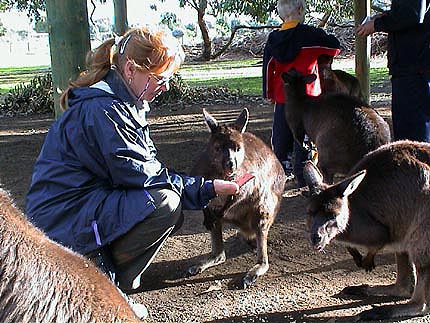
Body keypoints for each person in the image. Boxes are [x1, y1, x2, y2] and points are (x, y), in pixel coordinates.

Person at [25, 27, 239, 317]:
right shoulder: (105, 110)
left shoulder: (123, 103)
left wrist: (201, 188)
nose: (164, 88)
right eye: (160, 80)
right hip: (61, 219)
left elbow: (144, 167)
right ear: (130, 69)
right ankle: (99, 289)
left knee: (166, 204)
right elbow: (141, 174)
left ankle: (104, 280)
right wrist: (204, 188)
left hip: (79, 205)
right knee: (164, 202)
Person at [263, 0, 341, 187]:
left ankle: (281, 171)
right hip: (309, 99)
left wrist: (269, 94)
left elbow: (267, 69)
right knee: (306, 136)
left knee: (281, 134)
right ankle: (305, 173)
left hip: (284, 97)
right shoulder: (311, 35)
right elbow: (334, 47)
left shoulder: (273, 40)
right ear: (300, 10)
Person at [356, 0, 430, 142]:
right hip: (411, 67)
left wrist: (377, 24)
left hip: (414, 68)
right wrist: (383, 17)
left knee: (413, 135)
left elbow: (413, 14)